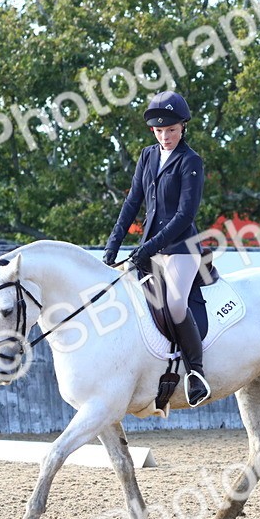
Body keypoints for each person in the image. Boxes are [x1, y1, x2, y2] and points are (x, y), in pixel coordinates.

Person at [103, 90, 212, 407]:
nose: (166, 136)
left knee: (176, 305)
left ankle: (196, 374)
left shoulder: (190, 162)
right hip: (148, 249)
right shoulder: (147, 156)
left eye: (172, 130)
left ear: (183, 128)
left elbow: (184, 216)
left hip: (180, 248)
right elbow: (132, 202)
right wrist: (113, 245)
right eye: (160, 131)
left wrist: (148, 247)